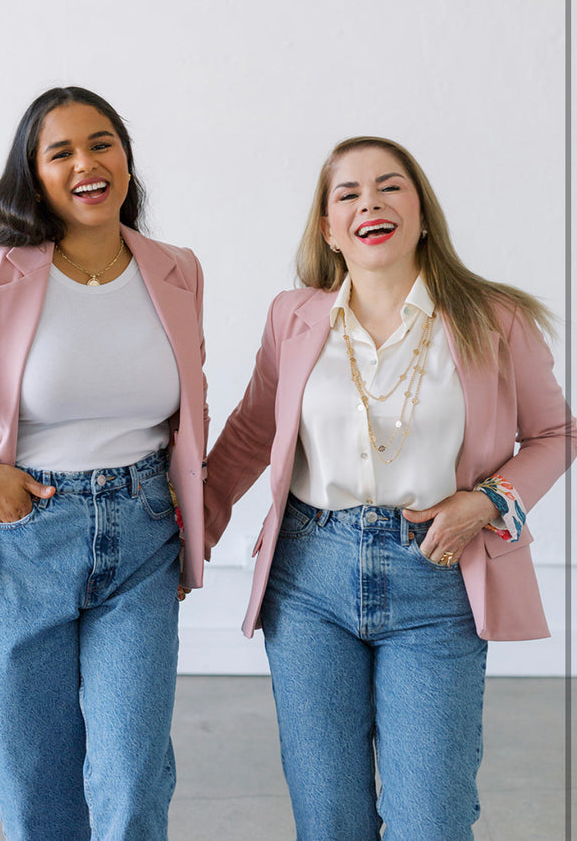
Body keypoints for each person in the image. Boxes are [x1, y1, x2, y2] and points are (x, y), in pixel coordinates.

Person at [203, 135, 575, 841]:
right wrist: (193, 533)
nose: (369, 201)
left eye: (390, 186)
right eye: (347, 193)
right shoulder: (294, 316)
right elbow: (252, 433)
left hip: (437, 576)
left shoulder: (493, 318)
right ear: (329, 228)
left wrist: (487, 500)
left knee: (429, 821)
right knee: (329, 820)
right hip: (308, 577)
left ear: (423, 213)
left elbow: (558, 433)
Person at [0, 86, 208, 841]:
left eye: (101, 143)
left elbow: (188, 407)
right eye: (60, 151)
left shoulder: (176, 270)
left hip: (140, 533)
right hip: (21, 538)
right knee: (36, 780)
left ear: (126, 159)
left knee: (132, 776)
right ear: (33, 174)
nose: (86, 164)